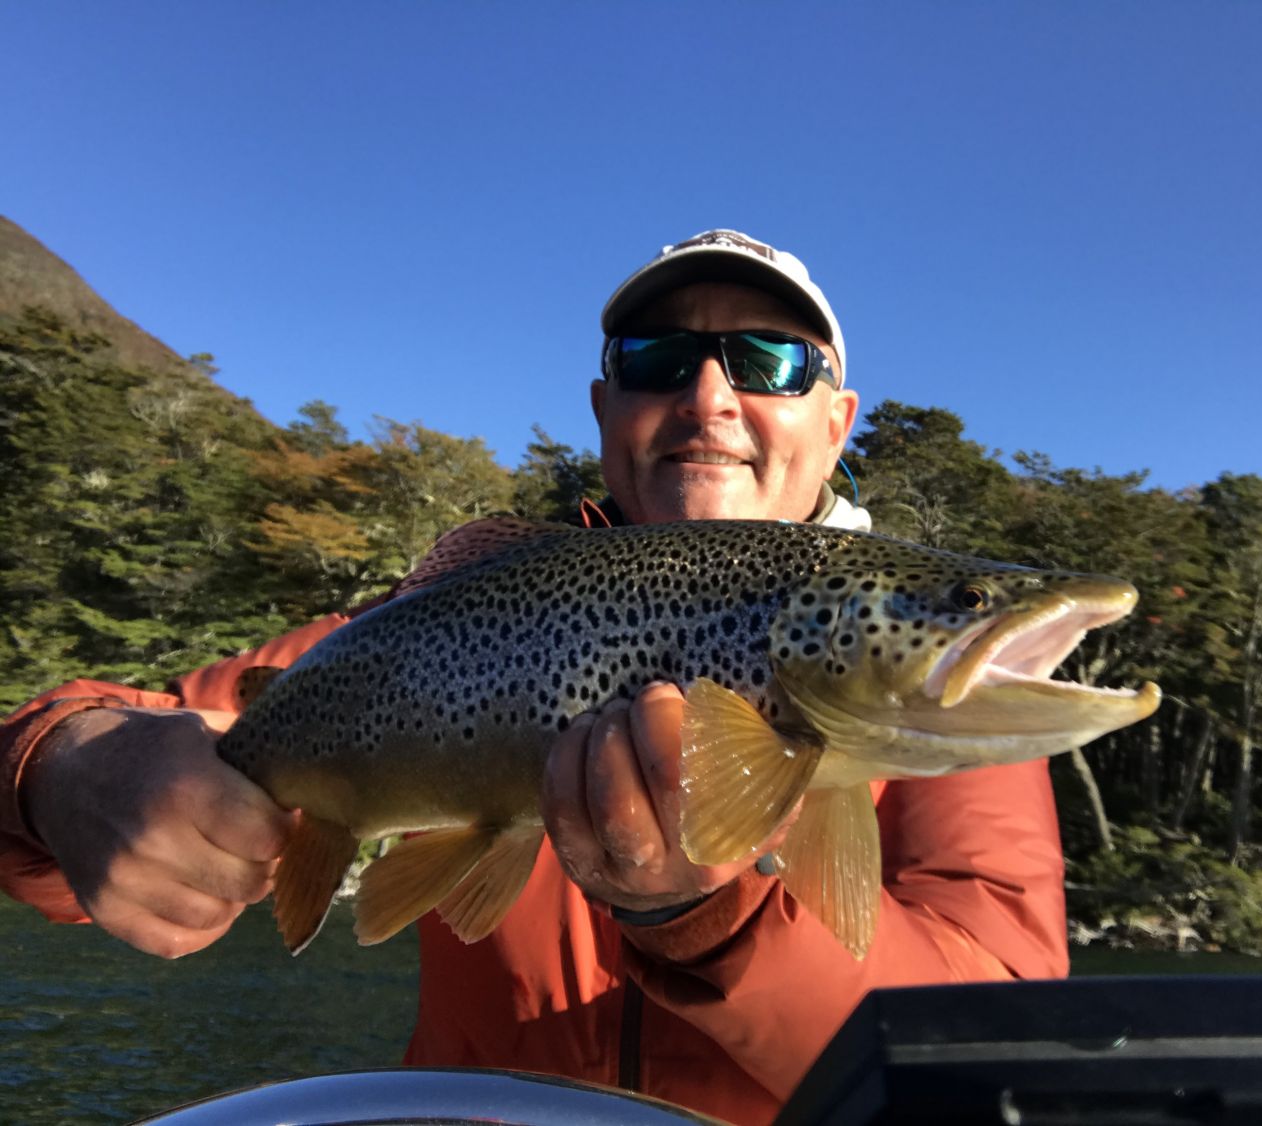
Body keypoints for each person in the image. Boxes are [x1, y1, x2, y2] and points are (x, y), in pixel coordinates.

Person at [0, 230, 1067, 1125]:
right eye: (659, 357)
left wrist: (714, 921)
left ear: (837, 421)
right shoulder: (439, 628)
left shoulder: (958, 708)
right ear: (606, 410)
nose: (708, 396)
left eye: (770, 361)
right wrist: (64, 770)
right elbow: (96, 752)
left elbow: (991, 1066)